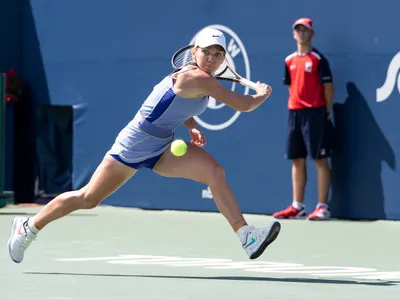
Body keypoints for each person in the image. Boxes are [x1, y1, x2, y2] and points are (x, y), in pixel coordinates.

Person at [8, 28, 280, 263]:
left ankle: (246, 237)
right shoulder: (197, 78)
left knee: (215, 173)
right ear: (195, 51)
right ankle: (28, 228)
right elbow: (243, 105)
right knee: (89, 198)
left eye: (218, 54)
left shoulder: (200, 79)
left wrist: (191, 125)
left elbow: (175, 106)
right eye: (207, 52)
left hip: (162, 146)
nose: (212, 58)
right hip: (134, 144)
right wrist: (261, 96)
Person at [273, 18, 334, 220]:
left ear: (312, 34)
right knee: (297, 159)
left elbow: (328, 89)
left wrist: (323, 111)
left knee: (319, 159)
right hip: (294, 113)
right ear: (293, 34)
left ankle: (322, 207)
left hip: (316, 113)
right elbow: (291, 87)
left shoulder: (318, 59)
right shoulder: (289, 61)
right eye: (298, 30)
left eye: (305, 30)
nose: (301, 33)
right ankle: (297, 206)